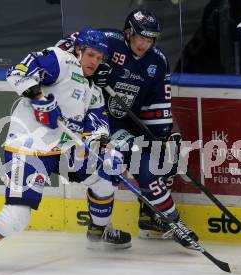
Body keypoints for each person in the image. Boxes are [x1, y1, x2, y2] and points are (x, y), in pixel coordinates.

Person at [0, 28, 131, 274]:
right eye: (91, 55)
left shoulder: (93, 91)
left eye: (99, 58)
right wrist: (40, 99)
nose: (94, 62)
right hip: (29, 146)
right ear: (79, 50)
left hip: (63, 149)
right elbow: (18, 72)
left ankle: (100, 229)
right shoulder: (61, 61)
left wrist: (103, 147)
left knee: (105, 174)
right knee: (17, 217)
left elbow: (97, 126)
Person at [57, 9, 198, 247]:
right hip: (95, 122)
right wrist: (88, 75)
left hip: (128, 125)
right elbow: (63, 52)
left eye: (150, 39)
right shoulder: (107, 42)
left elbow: (158, 101)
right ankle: (100, 225)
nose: (145, 44)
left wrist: (163, 134)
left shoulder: (157, 61)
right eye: (140, 37)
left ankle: (161, 218)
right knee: (107, 173)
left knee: (157, 160)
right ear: (128, 32)